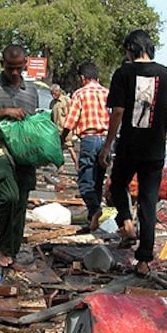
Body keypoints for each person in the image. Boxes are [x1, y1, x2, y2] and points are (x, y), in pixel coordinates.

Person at [99, 29, 167, 276]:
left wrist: (108, 144)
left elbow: (117, 111)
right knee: (149, 201)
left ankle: (126, 222)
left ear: (130, 49)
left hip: (129, 146)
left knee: (117, 185)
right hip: (154, 150)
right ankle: (143, 261)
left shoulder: (122, 74)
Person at [0, 45, 39, 269]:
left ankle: (13, 250)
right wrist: (6, 112)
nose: (14, 73)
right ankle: (5, 248)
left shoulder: (31, 90)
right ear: (2, 64)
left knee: (22, 202)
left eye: (18, 68)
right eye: (9, 68)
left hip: (25, 153)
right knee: (9, 198)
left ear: (24, 64)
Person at [60, 61, 110, 231]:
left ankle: (95, 210)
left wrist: (61, 140)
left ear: (83, 78)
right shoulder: (107, 93)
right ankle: (92, 219)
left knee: (84, 182)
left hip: (89, 139)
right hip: (107, 141)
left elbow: (70, 121)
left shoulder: (80, 94)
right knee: (97, 180)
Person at [50, 84, 78, 170]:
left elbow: (72, 113)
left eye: (54, 93)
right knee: (59, 149)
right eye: (52, 93)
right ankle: (61, 167)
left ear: (58, 92)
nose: (53, 95)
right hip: (56, 129)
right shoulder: (52, 103)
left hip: (65, 129)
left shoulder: (66, 100)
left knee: (70, 147)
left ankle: (77, 164)